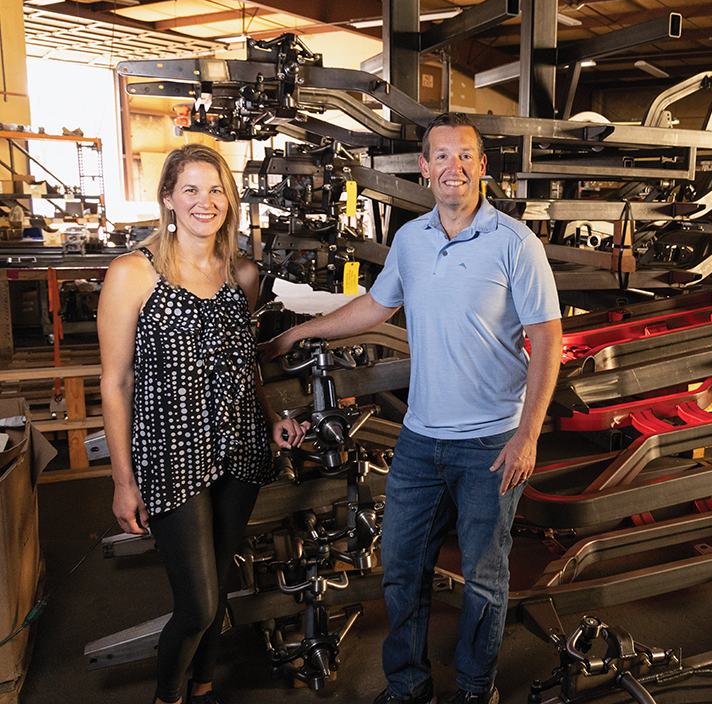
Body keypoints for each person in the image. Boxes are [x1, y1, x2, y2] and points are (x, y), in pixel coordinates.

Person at [261, 112, 563, 704]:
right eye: (442, 156)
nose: (454, 167)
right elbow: (377, 305)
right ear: (424, 168)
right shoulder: (411, 239)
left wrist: (527, 435)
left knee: (484, 575)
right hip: (421, 441)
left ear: (482, 166)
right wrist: (299, 332)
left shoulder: (515, 243)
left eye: (465, 156)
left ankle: (475, 687)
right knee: (401, 569)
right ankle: (407, 686)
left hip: (491, 443)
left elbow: (548, 340)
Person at [98, 143, 305, 704]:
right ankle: (167, 696)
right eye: (190, 189)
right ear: (168, 198)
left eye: (216, 190)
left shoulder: (242, 273)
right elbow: (115, 383)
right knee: (198, 604)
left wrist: (272, 419)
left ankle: (204, 686)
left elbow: (245, 363)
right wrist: (123, 480)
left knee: (221, 576)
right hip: (170, 452)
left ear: (229, 201)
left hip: (240, 446)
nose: (204, 201)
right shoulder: (133, 274)